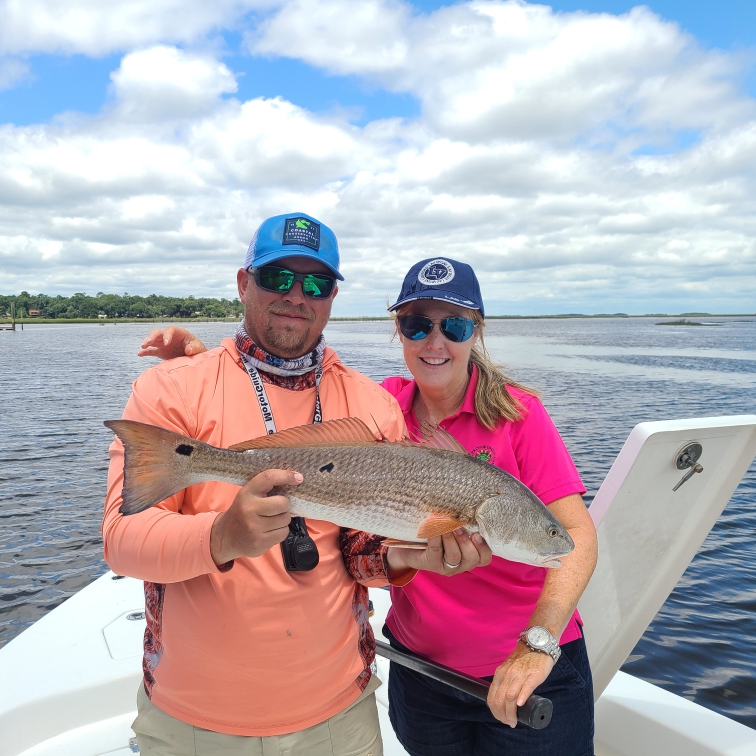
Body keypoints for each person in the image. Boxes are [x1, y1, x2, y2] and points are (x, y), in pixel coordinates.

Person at [144, 257, 597, 755]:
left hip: (526, 666)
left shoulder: (520, 414)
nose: (435, 341)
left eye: (456, 325)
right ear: (398, 329)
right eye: (417, 324)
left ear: (477, 331)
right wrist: (205, 362)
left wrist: (538, 645)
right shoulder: (381, 405)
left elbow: (576, 539)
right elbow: (307, 438)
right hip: (421, 665)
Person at [105, 216, 491, 756]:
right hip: (192, 721)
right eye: (277, 277)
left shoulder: (371, 406)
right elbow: (122, 543)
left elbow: (361, 554)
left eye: (316, 284)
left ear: (332, 296)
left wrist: (411, 557)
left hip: (337, 718)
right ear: (244, 283)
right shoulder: (171, 389)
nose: (296, 295)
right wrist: (222, 537)